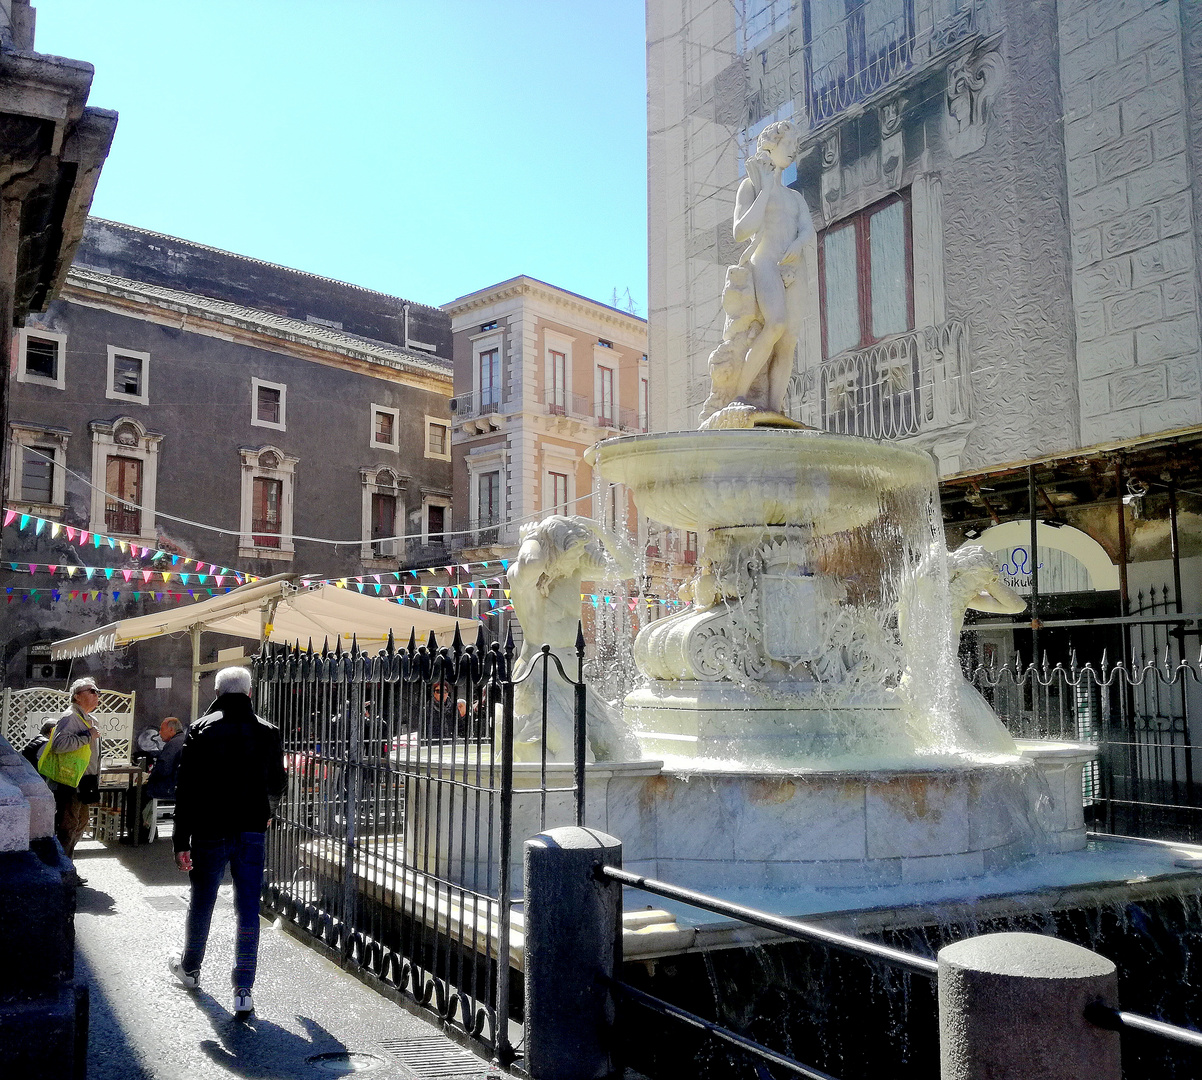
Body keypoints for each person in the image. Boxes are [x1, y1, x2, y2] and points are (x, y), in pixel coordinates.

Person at [168, 667, 286, 1019]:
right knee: (248, 908)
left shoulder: (200, 730)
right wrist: (268, 811)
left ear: (217, 693)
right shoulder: (268, 731)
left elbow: (185, 789)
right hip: (251, 828)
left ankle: (190, 968)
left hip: (209, 828)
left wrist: (180, 840)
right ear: (250, 694)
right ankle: (243, 989)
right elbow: (278, 783)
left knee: (202, 901)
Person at [43, 677, 103, 865]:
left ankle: (66, 865)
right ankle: (62, 868)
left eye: (97, 691)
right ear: (77, 696)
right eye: (91, 691)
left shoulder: (89, 719)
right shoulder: (70, 717)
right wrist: (87, 736)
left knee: (80, 823)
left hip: (85, 781)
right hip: (70, 781)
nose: (96, 694)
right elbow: (59, 745)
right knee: (68, 826)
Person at [142, 717, 184, 840]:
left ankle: (140, 833)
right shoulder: (184, 740)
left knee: (135, 793)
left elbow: (163, 768)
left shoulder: (173, 745)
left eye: (161, 729)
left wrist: (150, 778)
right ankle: (149, 831)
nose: (159, 732)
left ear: (171, 729)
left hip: (168, 788)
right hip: (180, 787)